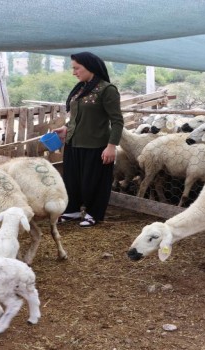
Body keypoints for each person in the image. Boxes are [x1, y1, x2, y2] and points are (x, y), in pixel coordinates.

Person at [53, 52, 124, 227]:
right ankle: (72, 210)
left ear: (90, 66)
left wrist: (111, 146)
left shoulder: (107, 90)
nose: (74, 72)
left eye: (77, 68)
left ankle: (94, 213)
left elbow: (117, 121)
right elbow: (79, 116)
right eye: (73, 68)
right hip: (73, 143)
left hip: (96, 145)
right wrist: (66, 128)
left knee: (93, 182)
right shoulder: (81, 88)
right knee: (72, 180)